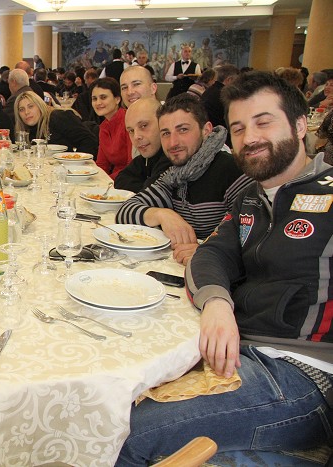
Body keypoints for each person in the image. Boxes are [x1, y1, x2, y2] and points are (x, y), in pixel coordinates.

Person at [117, 70, 333, 466]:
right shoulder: (251, 195)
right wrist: (217, 303)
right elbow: (211, 254)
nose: (250, 138)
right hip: (239, 352)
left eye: (263, 122)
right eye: (239, 128)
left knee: (122, 433)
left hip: (302, 373)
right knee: (114, 394)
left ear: (301, 125)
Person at [116, 94, 251, 265]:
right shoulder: (175, 175)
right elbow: (124, 212)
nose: (173, 142)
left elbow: (252, 240)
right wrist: (163, 215)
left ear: (206, 130)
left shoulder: (232, 171)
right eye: (166, 133)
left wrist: (208, 252)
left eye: (183, 130)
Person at [13, 91, 98, 156]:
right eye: (21, 109)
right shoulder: (26, 131)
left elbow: (89, 141)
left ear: (40, 106)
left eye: (30, 106)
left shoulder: (58, 117)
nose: (26, 112)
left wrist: (75, 162)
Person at [115, 97, 172, 193]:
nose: (136, 136)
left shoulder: (172, 156)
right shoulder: (147, 157)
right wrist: (144, 186)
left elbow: (151, 194)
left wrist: (144, 187)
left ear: (162, 123)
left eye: (144, 126)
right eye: (131, 131)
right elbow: (121, 179)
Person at [91, 78, 132, 179]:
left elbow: (132, 165)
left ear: (117, 99)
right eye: (94, 99)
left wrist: (106, 181)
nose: (98, 103)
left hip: (128, 179)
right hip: (113, 178)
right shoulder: (104, 126)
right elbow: (102, 164)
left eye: (103, 97)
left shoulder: (129, 122)